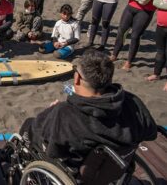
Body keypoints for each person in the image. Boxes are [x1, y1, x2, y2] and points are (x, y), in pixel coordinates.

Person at [18, 50, 157, 171]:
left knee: (29, 124)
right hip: (114, 168)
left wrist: (51, 114)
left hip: (77, 173)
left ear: (77, 78)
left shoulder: (64, 114)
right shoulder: (132, 102)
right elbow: (151, 134)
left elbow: (52, 151)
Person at [111, 0, 163, 70]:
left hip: (146, 10)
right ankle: (114, 55)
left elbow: (144, 1)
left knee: (135, 36)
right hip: (131, 7)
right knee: (121, 31)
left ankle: (129, 61)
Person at [146, 0, 167, 90]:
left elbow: (160, 3)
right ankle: (156, 74)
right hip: (161, 26)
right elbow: (155, 2)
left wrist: (162, 3)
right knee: (160, 51)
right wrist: (161, 3)